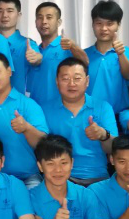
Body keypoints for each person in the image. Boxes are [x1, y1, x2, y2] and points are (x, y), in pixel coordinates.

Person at [0, 52, 47, 188]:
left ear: (9, 71)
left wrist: (27, 128)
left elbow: (43, 145)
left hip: (27, 177)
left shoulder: (29, 105)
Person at [45, 57, 117, 186]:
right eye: (65, 79)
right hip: (60, 177)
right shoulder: (45, 110)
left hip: (97, 177)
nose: (71, 84)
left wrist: (103, 135)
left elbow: (114, 148)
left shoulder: (103, 107)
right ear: (57, 82)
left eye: (77, 78)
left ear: (87, 81)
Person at [27, 2, 88, 106]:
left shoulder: (66, 47)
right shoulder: (33, 50)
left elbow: (85, 63)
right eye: (40, 18)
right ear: (35, 22)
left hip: (60, 110)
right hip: (36, 110)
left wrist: (73, 46)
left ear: (58, 22)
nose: (44, 22)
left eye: (49, 17)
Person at [84, 0, 129, 112]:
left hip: (119, 116)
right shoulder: (83, 56)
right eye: (99, 23)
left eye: (109, 24)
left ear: (118, 25)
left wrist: (120, 54)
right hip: (88, 115)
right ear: (92, 25)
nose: (104, 28)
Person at [0, 0, 41, 95]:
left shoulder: (27, 44)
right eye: (0, 11)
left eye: (10, 11)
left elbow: (37, 59)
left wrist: (36, 57)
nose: (4, 15)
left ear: (19, 15)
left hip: (18, 101)